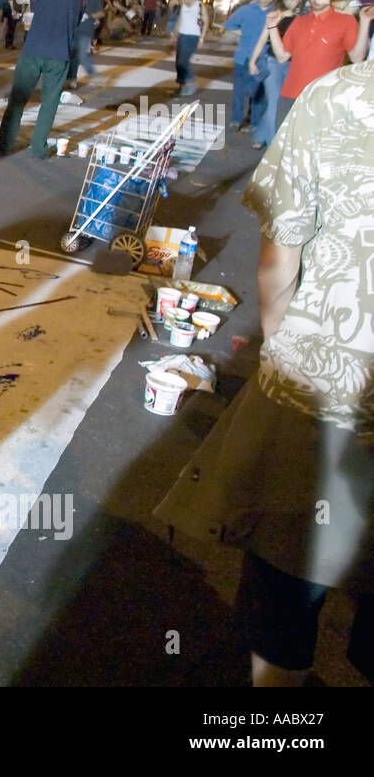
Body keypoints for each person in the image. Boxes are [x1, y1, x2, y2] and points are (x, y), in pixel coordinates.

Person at [154, 60, 374, 687]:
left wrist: (279, 346)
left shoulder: (340, 94)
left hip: (322, 393)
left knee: (286, 598)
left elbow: (281, 252)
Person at [0, 0, 86, 158]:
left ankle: (4, 144)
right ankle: (38, 148)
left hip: (33, 49)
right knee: (50, 102)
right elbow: (78, 18)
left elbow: (33, 8)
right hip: (60, 52)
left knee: (18, 99)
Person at [265, 0, 373, 127]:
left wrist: (364, 22)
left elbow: (357, 57)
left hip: (323, 98)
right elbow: (282, 56)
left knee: (312, 149)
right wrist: (272, 28)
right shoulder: (299, 22)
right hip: (290, 95)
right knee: (283, 147)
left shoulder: (345, 21)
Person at [246, 0, 303, 149]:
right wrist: (253, 60)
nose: (289, 2)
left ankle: (260, 135)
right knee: (274, 101)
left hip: (293, 64)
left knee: (279, 102)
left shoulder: (304, 18)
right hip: (273, 62)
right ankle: (273, 145)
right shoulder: (276, 15)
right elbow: (263, 38)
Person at [223, 0, 277, 134]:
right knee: (238, 91)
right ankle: (236, 118)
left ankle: (255, 121)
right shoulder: (246, 10)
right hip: (243, 55)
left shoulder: (275, 13)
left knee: (258, 92)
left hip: (263, 56)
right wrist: (244, 33)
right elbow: (230, 25)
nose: (265, 0)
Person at [166, 0, 208, 97]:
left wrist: (202, 38)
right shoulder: (182, 6)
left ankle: (191, 82)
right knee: (178, 62)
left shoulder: (199, 5)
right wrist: (174, 35)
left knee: (183, 61)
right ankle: (182, 86)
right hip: (182, 35)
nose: (183, 0)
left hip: (193, 36)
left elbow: (206, 21)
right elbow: (180, 20)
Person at [65, 0, 102, 90]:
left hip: (85, 31)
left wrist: (89, 15)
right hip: (72, 30)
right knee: (72, 56)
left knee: (81, 55)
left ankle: (94, 75)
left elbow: (101, 13)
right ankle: (72, 79)